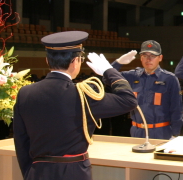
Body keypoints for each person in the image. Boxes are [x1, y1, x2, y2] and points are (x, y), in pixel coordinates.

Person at [13, 31, 138, 180]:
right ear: (75, 61)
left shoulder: (26, 93)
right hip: (74, 172)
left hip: (37, 171)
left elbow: (21, 141)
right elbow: (129, 100)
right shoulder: (83, 94)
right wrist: (109, 70)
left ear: (47, 60)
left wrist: (29, 173)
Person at [110, 40, 183, 139]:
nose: (148, 59)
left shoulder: (170, 79)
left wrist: (175, 134)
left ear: (160, 58)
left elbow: (176, 109)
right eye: (145, 55)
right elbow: (107, 78)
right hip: (136, 131)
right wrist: (118, 63)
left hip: (160, 132)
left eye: (152, 56)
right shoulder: (132, 76)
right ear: (141, 58)